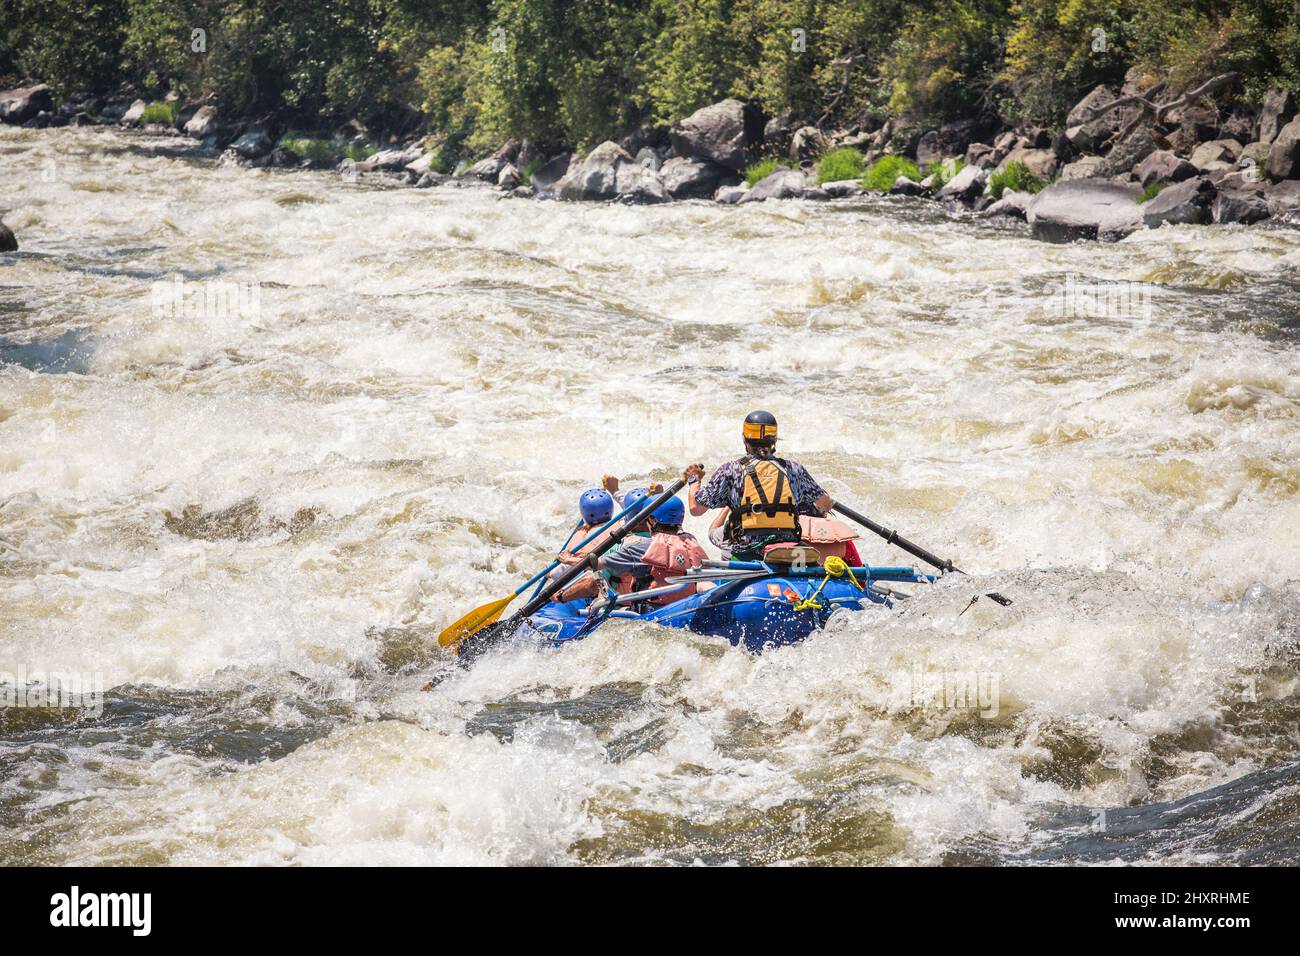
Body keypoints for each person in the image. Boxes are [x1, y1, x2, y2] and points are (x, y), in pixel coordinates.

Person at [684, 410, 834, 561]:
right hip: (788, 547)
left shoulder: (731, 470)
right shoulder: (794, 469)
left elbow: (696, 508)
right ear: (774, 440)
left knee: (714, 533)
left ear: (744, 439)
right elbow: (825, 504)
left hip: (746, 548)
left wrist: (694, 479)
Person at [557, 495, 707, 607]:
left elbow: (595, 564)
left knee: (598, 579)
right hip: (685, 605)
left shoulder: (641, 547)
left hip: (651, 610)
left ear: (653, 520)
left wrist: (568, 559)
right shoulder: (690, 542)